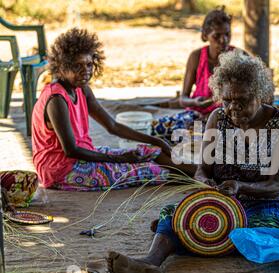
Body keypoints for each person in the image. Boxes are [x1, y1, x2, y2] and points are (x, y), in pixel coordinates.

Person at [107, 51, 279, 273]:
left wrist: (240, 186)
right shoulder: (218, 119)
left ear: (260, 95)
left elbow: (275, 186)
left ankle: (185, 238)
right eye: (227, 100)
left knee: (254, 229)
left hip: (271, 203)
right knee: (172, 212)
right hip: (225, 200)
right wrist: (205, 182)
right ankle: (151, 262)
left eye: (243, 101)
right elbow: (202, 170)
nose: (233, 109)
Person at [31, 28, 196, 191]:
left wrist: (155, 140)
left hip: (85, 155)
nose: (86, 71)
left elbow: (113, 126)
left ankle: (202, 174)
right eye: (77, 66)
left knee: (153, 152)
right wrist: (118, 159)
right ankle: (198, 179)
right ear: (61, 67)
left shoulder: (81, 89)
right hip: (61, 170)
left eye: (89, 64)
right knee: (154, 170)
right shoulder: (56, 99)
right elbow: (71, 150)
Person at [150, 6, 238, 141]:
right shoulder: (196, 57)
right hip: (197, 114)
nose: (223, 40)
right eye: (217, 36)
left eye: (227, 34)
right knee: (157, 128)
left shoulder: (239, 57)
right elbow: (183, 99)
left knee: (217, 136)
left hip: (226, 116)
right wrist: (195, 102)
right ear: (205, 36)